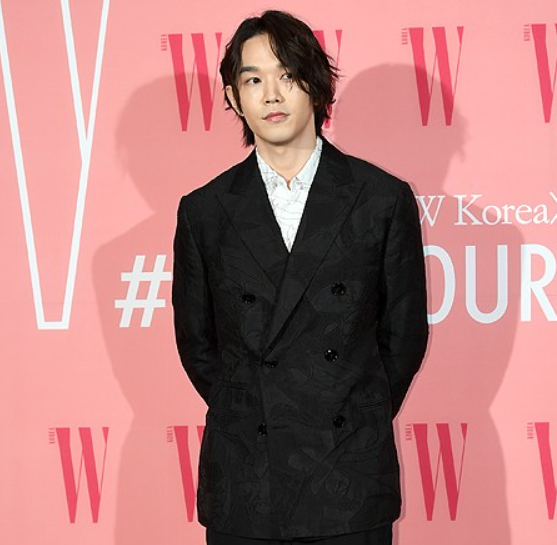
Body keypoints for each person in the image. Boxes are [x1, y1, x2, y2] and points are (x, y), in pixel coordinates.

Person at [172, 10, 428, 545]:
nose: (271, 95)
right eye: (253, 80)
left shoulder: (380, 200)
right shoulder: (204, 211)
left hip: (348, 478)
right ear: (233, 96)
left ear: (315, 83)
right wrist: (250, 409)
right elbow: (198, 344)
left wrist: (353, 408)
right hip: (247, 480)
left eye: (287, 75)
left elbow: (403, 336)